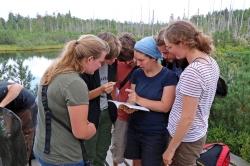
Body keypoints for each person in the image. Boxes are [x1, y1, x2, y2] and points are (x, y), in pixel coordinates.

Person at [33, 34, 110, 166]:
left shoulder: (52, 71)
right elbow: (81, 132)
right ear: (90, 59)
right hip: (64, 157)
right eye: (100, 62)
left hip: (42, 149)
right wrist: (92, 127)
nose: (100, 66)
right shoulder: (74, 83)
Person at [162, 20, 220, 166]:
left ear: (181, 43)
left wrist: (170, 149)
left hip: (184, 140)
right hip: (197, 133)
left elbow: (187, 118)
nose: (169, 51)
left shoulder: (193, 72)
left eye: (170, 46)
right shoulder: (211, 62)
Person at [124, 36, 178, 166]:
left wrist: (138, 99)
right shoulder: (137, 74)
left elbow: (165, 106)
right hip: (135, 128)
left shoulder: (169, 77)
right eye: (136, 59)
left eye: (141, 60)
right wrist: (129, 106)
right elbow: (132, 98)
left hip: (154, 133)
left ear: (154, 57)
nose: (137, 63)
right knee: (136, 162)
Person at [80, 32, 121, 166]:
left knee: (103, 150)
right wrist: (101, 90)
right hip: (91, 115)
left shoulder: (112, 64)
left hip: (106, 112)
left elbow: (113, 88)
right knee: (89, 151)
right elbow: (81, 97)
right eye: (111, 58)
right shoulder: (87, 67)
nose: (114, 61)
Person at [110, 32, 137, 166]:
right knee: (118, 149)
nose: (128, 62)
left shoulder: (143, 62)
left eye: (131, 57)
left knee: (137, 152)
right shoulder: (115, 63)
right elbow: (112, 87)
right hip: (121, 115)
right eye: (123, 59)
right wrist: (118, 104)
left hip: (140, 115)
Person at [0, 80, 37, 164]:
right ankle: (11, 158)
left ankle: (23, 161)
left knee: (24, 136)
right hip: (10, 109)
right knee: (8, 134)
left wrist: (1, 106)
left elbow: (17, 87)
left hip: (26, 106)